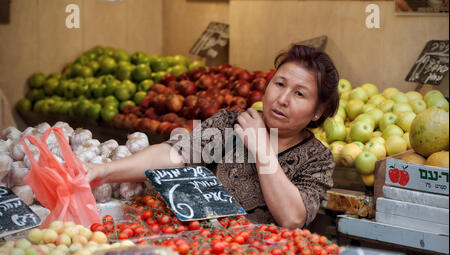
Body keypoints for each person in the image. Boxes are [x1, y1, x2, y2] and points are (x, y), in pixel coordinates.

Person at [86, 44, 339, 229]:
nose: (282, 99)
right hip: (201, 251)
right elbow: (174, 155)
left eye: (300, 94)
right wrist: (102, 171)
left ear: (318, 111)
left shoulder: (317, 159)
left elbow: (292, 218)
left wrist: (262, 150)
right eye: (280, 84)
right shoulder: (230, 123)